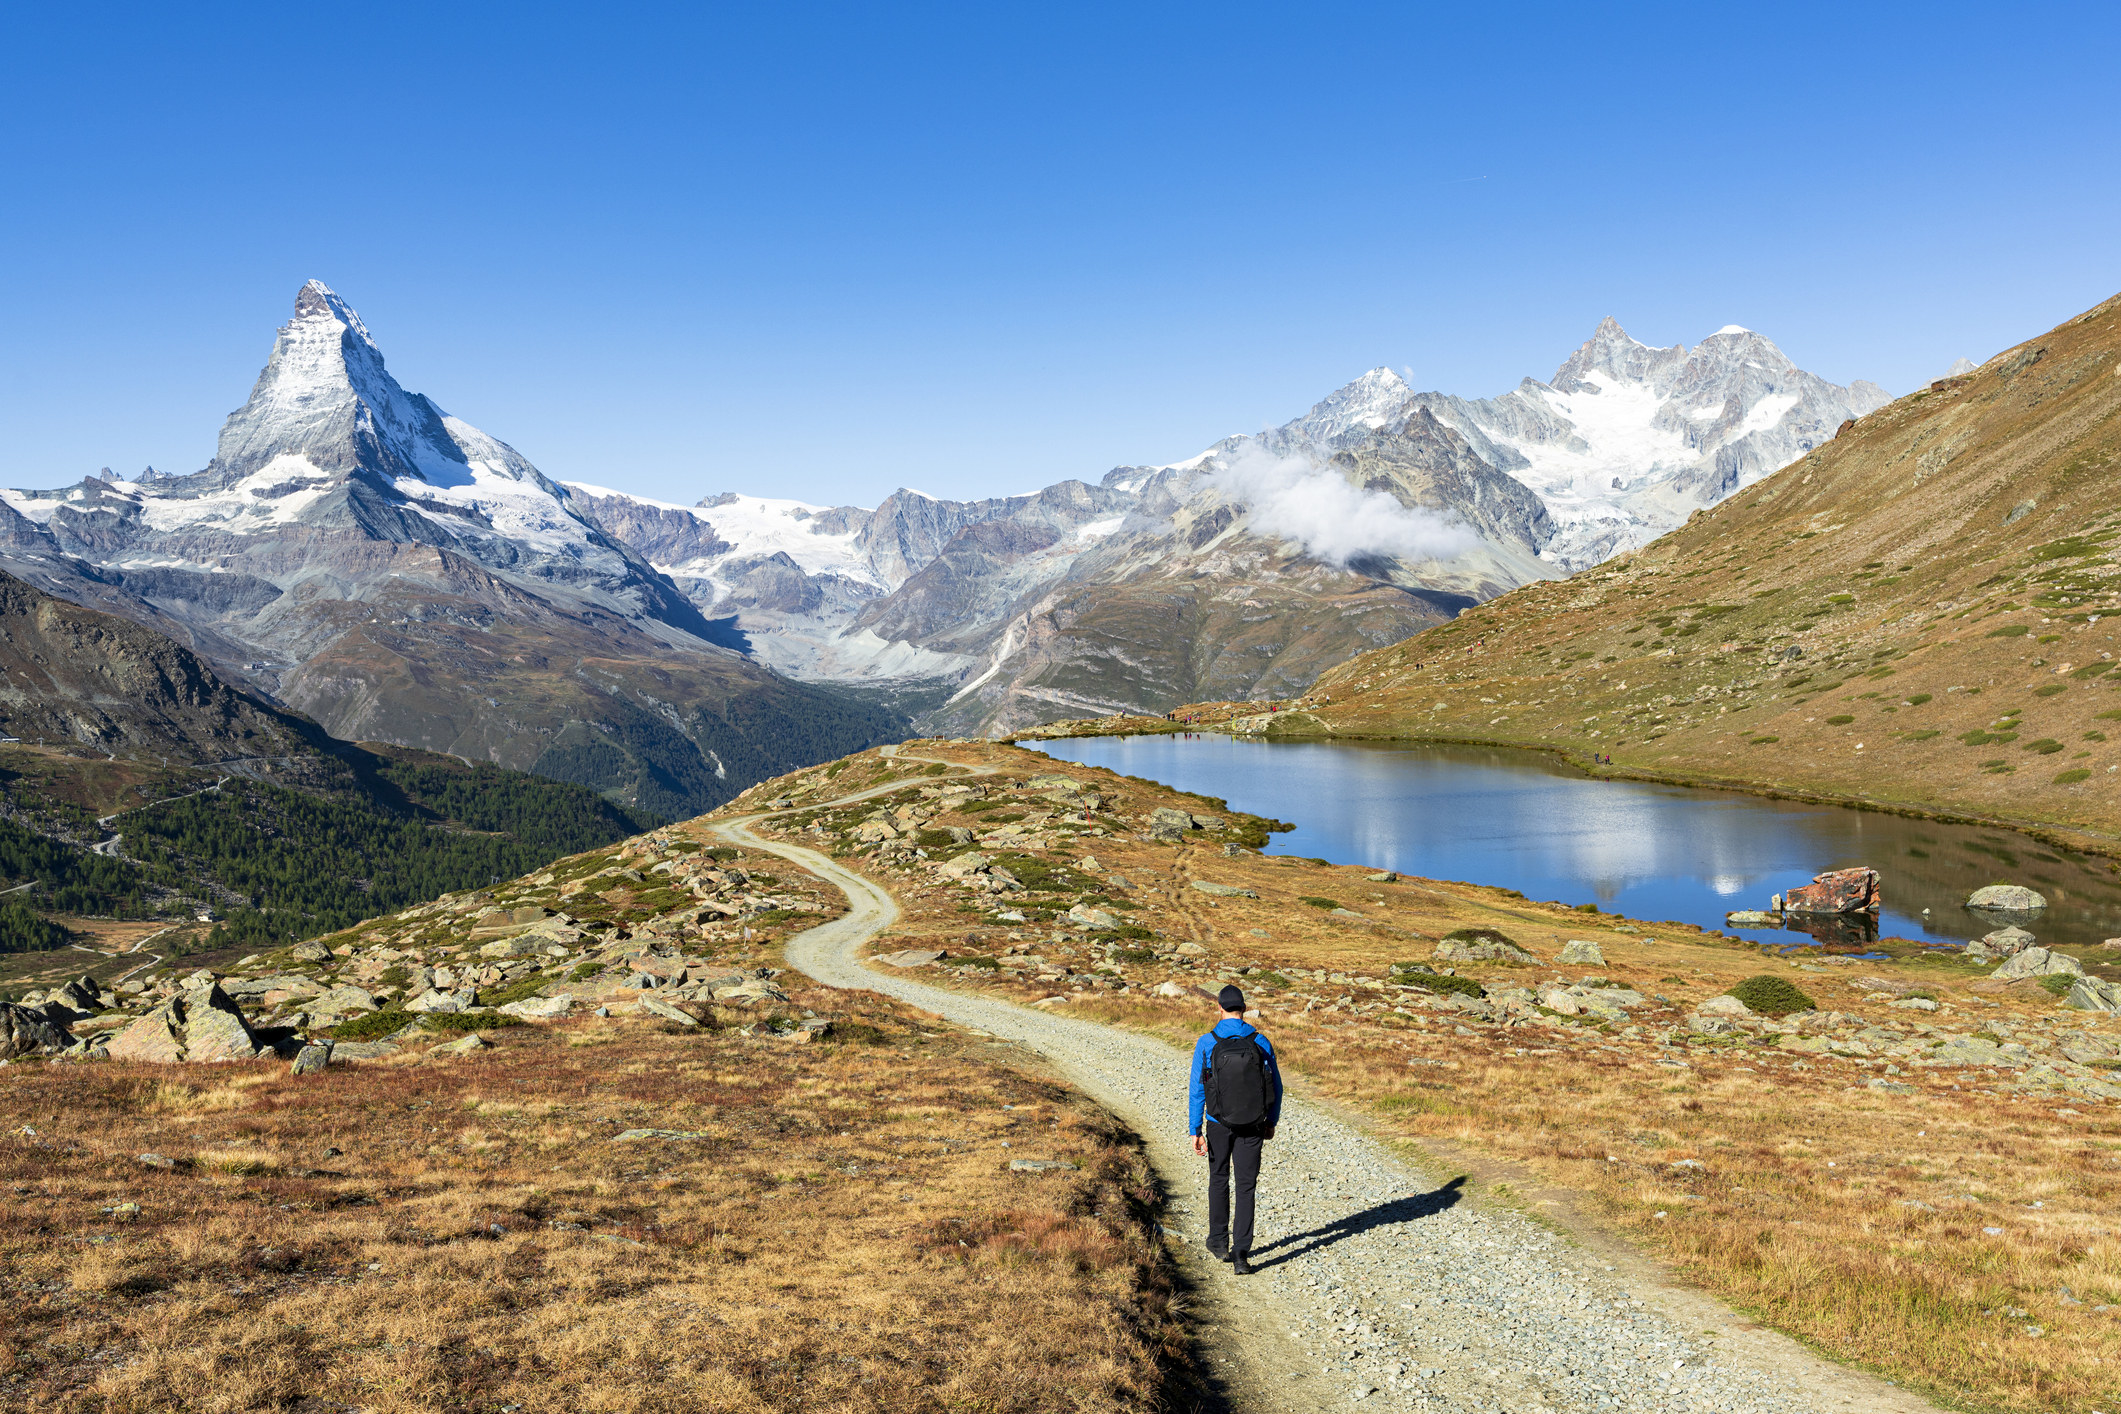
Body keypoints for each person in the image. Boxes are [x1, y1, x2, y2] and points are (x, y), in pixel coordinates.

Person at [1188, 985, 1283, 1275]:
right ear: (1243, 1008)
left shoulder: (1207, 1042)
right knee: (1246, 1186)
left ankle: (1218, 1242)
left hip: (1218, 1123)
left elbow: (1197, 1090)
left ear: (1219, 1008)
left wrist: (1195, 1128)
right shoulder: (1260, 1040)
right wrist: (1271, 1121)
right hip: (1253, 1123)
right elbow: (1276, 1087)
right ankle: (1241, 1253)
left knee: (1218, 1179)